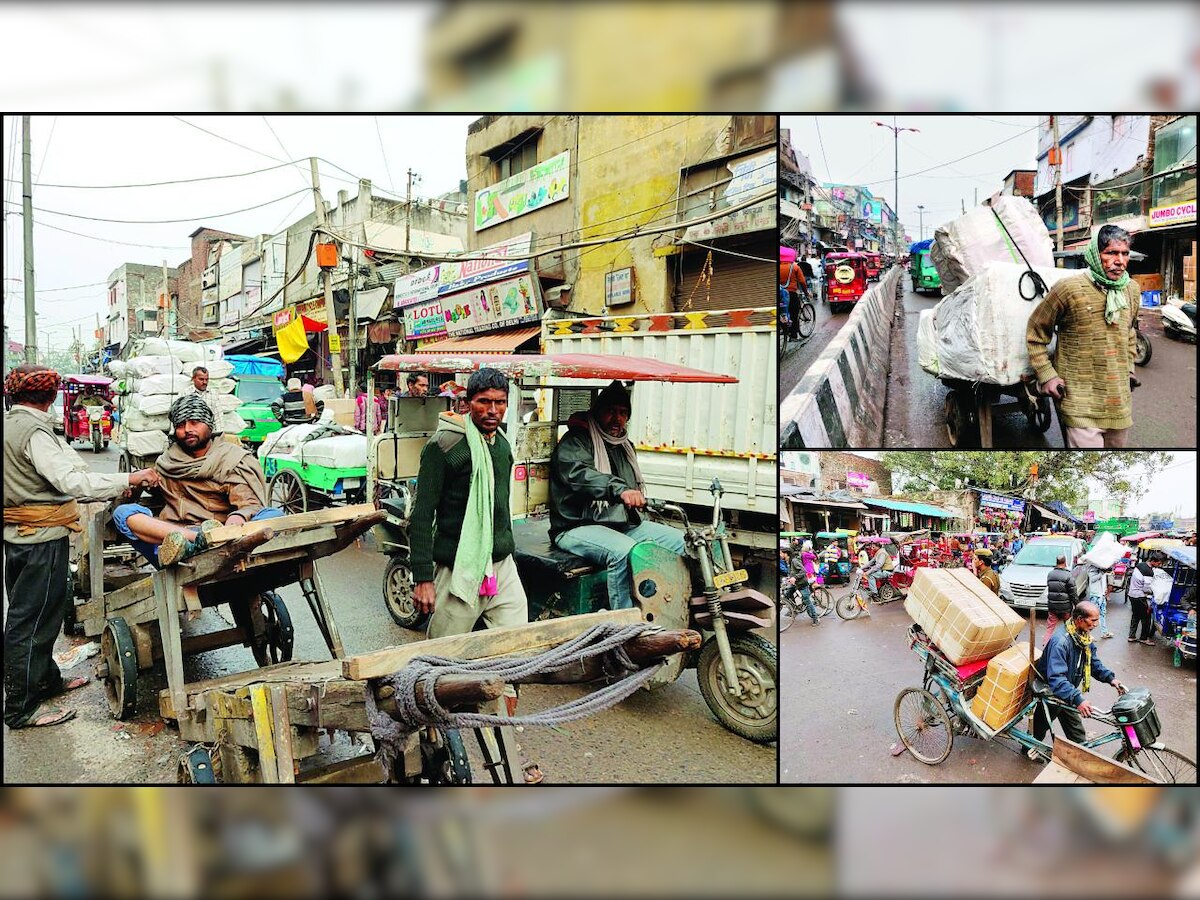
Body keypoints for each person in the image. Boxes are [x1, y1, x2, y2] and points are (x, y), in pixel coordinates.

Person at [3, 365, 159, 729]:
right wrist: (128, 479)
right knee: (31, 620)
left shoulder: (13, 425)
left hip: (20, 538)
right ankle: (20, 708)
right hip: (40, 541)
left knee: (41, 614)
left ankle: (46, 680)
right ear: (50, 396)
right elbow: (73, 481)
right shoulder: (34, 432)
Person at [408, 368, 542, 784]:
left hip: (500, 568)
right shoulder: (444, 447)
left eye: (500, 402)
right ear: (468, 403)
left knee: (514, 654)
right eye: (484, 402)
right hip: (458, 568)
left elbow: (499, 508)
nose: (493, 410)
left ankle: (509, 750)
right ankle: (427, 738)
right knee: (440, 664)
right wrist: (423, 577)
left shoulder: (501, 446)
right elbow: (421, 516)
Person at [548, 381, 686, 611]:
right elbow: (580, 475)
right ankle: (624, 623)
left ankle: (672, 609)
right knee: (622, 552)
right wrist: (620, 489)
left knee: (681, 542)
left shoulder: (623, 445)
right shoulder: (576, 441)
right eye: (610, 411)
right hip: (575, 526)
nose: (616, 419)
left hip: (619, 523)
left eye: (623, 413)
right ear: (597, 411)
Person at [112, 394, 285, 567]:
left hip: (223, 535)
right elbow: (151, 488)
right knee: (122, 513)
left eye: (194, 422)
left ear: (209, 425)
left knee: (274, 515)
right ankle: (199, 541)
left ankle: (212, 540)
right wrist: (135, 487)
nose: (187, 429)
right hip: (174, 541)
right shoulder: (167, 463)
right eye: (180, 425)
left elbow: (250, 504)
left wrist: (237, 518)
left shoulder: (230, 459)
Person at [1026, 225, 1141, 448]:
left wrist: (1129, 368)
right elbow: (1035, 333)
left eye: (1124, 253)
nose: (1120, 261)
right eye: (1111, 253)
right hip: (1079, 401)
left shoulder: (1131, 290)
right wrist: (1047, 375)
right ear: (1095, 255)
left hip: (1119, 402)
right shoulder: (1068, 289)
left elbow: (1129, 332)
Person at [1032, 601, 1127, 752]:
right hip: (1052, 691)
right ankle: (1028, 748)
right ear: (1079, 619)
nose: (1096, 624)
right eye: (1093, 620)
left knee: (1077, 733)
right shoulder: (1061, 642)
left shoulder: (1083, 637)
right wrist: (1078, 699)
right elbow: (1056, 678)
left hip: (1067, 690)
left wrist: (1111, 679)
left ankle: (1081, 756)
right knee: (1040, 727)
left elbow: (1093, 663)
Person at [1126, 551, 1160, 645]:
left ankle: (1131, 636)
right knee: (1146, 618)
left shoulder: (1141, 565)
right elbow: (1146, 589)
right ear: (1153, 561)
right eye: (1158, 562)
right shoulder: (1148, 572)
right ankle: (1144, 638)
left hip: (1132, 594)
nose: (1159, 564)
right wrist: (1154, 591)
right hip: (1140, 597)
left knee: (1135, 615)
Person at [1044, 554, 1078, 647]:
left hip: (1052, 606)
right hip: (1065, 607)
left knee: (1050, 627)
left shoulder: (1050, 574)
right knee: (1068, 627)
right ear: (1065, 562)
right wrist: (1077, 605)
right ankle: (1069, 645)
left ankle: (1045, 645)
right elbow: (1073, 592)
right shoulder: (1068, 575)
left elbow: (1050, 588)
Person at [787, 547, 820, 626]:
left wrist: (795, 577)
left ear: (786, 554)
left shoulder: (794, 561)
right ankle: (793, 609)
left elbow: (803, 570)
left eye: (781, 553)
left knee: (807, 601)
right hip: (795, 583)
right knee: (787, 593)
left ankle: (816, 619)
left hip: (802, 583)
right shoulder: (789, 561)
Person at [779, 252, 808, 341]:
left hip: (780, 293)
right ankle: (793, 335)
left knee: (782, 312)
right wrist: (806, 293)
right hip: (791, 293)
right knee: (794, 313)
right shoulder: (795, 267)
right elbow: (802, 281)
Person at [1083, 559, 1115, 639]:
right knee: (1091, 616)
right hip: (1095, 595)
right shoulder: (1092, 568)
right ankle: (1087, 634)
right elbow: (1093, 579)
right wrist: (1101, 573)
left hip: (1101, 594)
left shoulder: (1101, 568)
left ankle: (1104, 632)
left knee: (1102, 614)